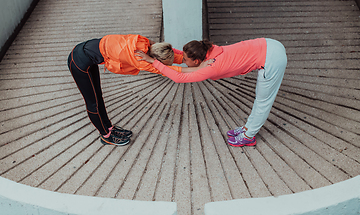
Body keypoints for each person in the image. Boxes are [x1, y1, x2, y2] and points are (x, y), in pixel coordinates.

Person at [136, 38, 287, 147]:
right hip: (268, 44)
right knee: (259, 98)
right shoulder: (208, 50)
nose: (182, 60)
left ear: (196, 62)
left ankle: (248, 136)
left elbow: (179, 77)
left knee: (263, 101)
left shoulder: (212, 67)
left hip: (272, 59)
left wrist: (152, 62)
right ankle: (247, 128)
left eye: (186, 60)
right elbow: (181, 54)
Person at [68, 34, 192, 146]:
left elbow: (168, 54)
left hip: (85, 54)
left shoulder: (145, 42)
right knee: (93, 103)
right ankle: (105, 136)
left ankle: (109, 128)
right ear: (156, 60)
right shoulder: (141, 60)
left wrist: (192, 60)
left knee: (98, 96)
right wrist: (198, 70)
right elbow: (171, 71)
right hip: (79, 64)